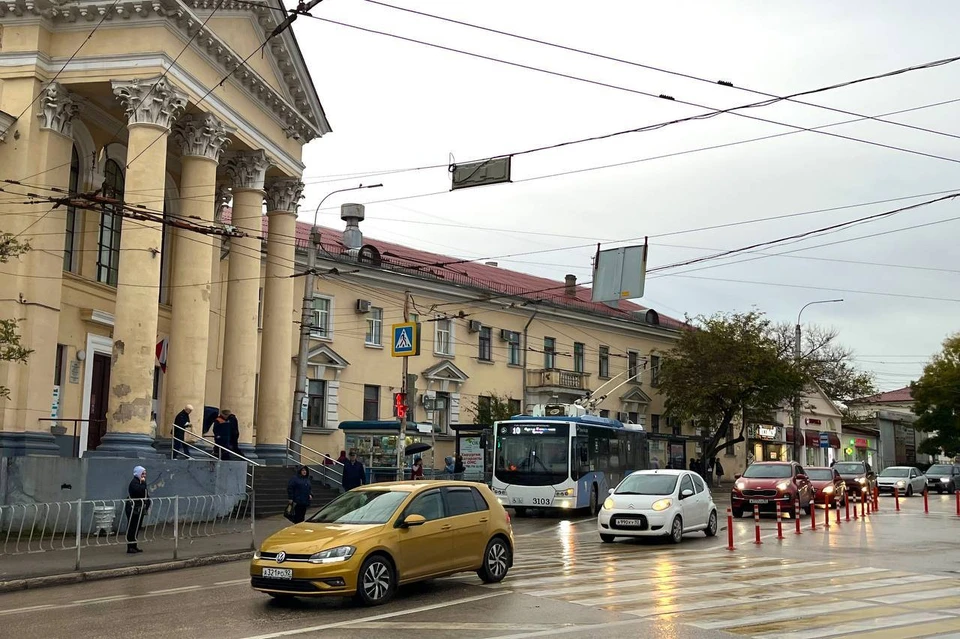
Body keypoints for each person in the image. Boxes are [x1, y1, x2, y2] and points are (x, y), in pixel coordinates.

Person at [125, 466, 150, 554]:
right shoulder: (134, 482)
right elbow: (139, 491)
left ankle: (134, 546)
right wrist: (143, 484)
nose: (144, 475)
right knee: (132, 527)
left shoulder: (141, 482)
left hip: (139, 507)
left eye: (145, 474)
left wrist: (147, 504)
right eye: (142, 473)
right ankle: (130, 547)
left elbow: (146, 494)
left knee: (137, 527)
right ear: (138, 473)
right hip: (133, 507)